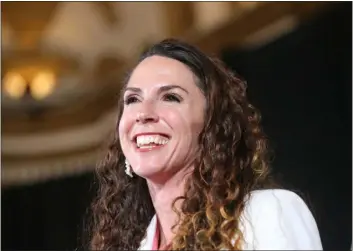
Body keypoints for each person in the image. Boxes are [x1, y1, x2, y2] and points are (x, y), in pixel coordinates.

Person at [88, 38, 323, 250]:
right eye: (132, 99)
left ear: (212, 124)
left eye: (171, 97)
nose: (143, 114)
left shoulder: (269, 214)